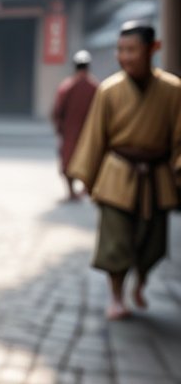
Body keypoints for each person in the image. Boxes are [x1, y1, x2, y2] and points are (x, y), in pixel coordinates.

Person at [67, 21, 181, 320]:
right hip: (117, 175)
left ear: (153, 48)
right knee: (115, 241)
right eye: (121, 50)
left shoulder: (173, 90)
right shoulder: (109, 90)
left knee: (153, 243)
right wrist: (88, 177)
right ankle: (116, 296)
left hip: (157, 177)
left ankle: (141, 281)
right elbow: (95, 136)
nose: (125, 57)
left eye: (132, 50)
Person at [52, 50, 99, 201]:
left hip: (70, 133)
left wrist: (59, 128)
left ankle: (71, 192)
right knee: (89, 161)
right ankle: (86, 188)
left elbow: (57, 111)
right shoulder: (96, 87)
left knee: (68, 163)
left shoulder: (67, 86)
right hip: (89, 133)